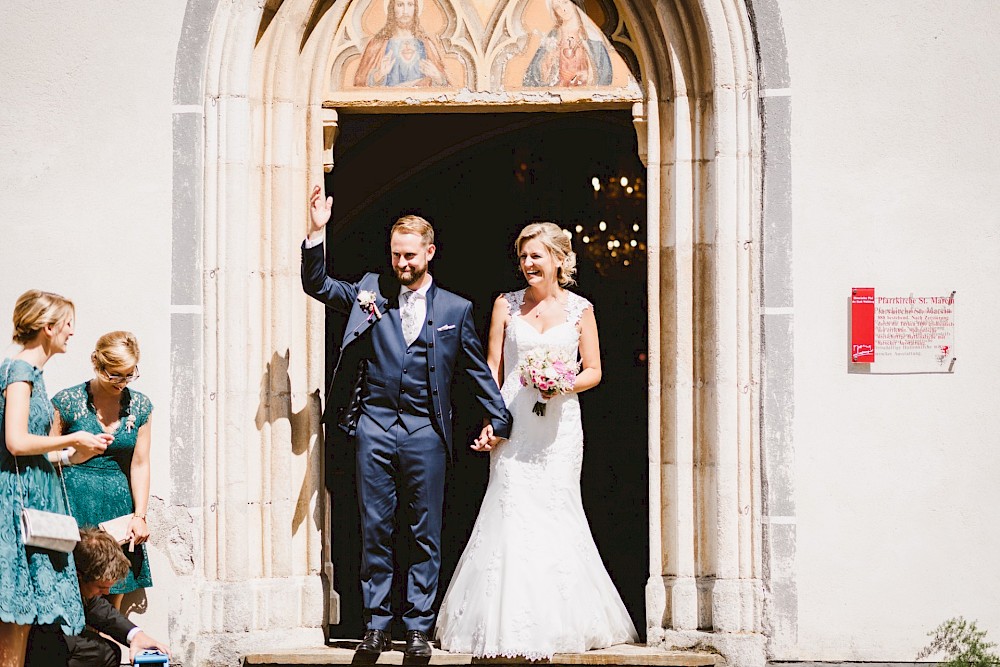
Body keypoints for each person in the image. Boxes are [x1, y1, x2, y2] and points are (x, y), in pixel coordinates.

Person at [301, 185, 512, 657]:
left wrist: (501, 420)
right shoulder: (370, 292)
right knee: (375, 526)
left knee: (424, 530)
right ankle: (376, 624)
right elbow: (318, 285)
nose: (402, 264)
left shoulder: (456, 310)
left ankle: (417, 626)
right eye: (396, 255)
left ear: (430, 252)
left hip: (426, 433)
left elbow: (477, 372)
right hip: (374, 428)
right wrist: (317, 233)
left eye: (411, 255)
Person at [436, 223, 638, 658]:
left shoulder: (580, 309)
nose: (528, 264)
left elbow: (595, 370)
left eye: (536, 256)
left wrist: (561, 382)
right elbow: (491, 367)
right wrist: (492, 420)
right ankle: (505, 621)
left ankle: (561, 619)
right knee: (509, 508)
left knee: (556, 508)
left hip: (560, 428)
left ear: (558, 261)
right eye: (523, 256)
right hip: (515, 423)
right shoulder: (505, 306)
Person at [0, 290, 111, 667]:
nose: (71, 333)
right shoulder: (19, 372)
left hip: (35, 498)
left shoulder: (32, 374)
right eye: (67, 324)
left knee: (25, 621)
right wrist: (71, 437)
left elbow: (36, 449)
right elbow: (15, 441)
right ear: (47, 328)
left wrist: (74, 453)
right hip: (18, 506)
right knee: (15, 620)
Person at [50, 331, 154, 609]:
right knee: (69, 595)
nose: (122, 383)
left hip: (117, 512)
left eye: (129, 375)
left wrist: (140, 516)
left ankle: (106, 651)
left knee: (110, 603)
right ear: (98, 365)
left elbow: (140, 463)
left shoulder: (140, 406)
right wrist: (76, 454)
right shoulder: (68, 401)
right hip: (73, 507)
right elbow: (44, 456)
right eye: (115, 375)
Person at [24, 527, 170, 667]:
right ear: (79, 577)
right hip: (37, 644)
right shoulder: (47, 583)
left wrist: (136, 635)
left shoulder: (78, 580)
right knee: (103, 653)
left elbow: (97, 607)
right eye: (101, 587)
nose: (107, 593)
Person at [353, 0, 450, 87]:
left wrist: (437, 77)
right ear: (392, 9)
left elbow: (446, 85)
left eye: (410, 4)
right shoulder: (377, 44)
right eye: (400, 5)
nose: (405, 11)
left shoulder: (426, 44)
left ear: (415, 8)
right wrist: (379, 74)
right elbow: (359, 82)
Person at [523, 0, 613, 87]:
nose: (563, 9)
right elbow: (533, 74)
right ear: (554, 11)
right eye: (557, 7)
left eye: (565, 2)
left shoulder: (592, 36)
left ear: (575, 3)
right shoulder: (553, 36)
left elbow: (604, 73)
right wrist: (548, 59)